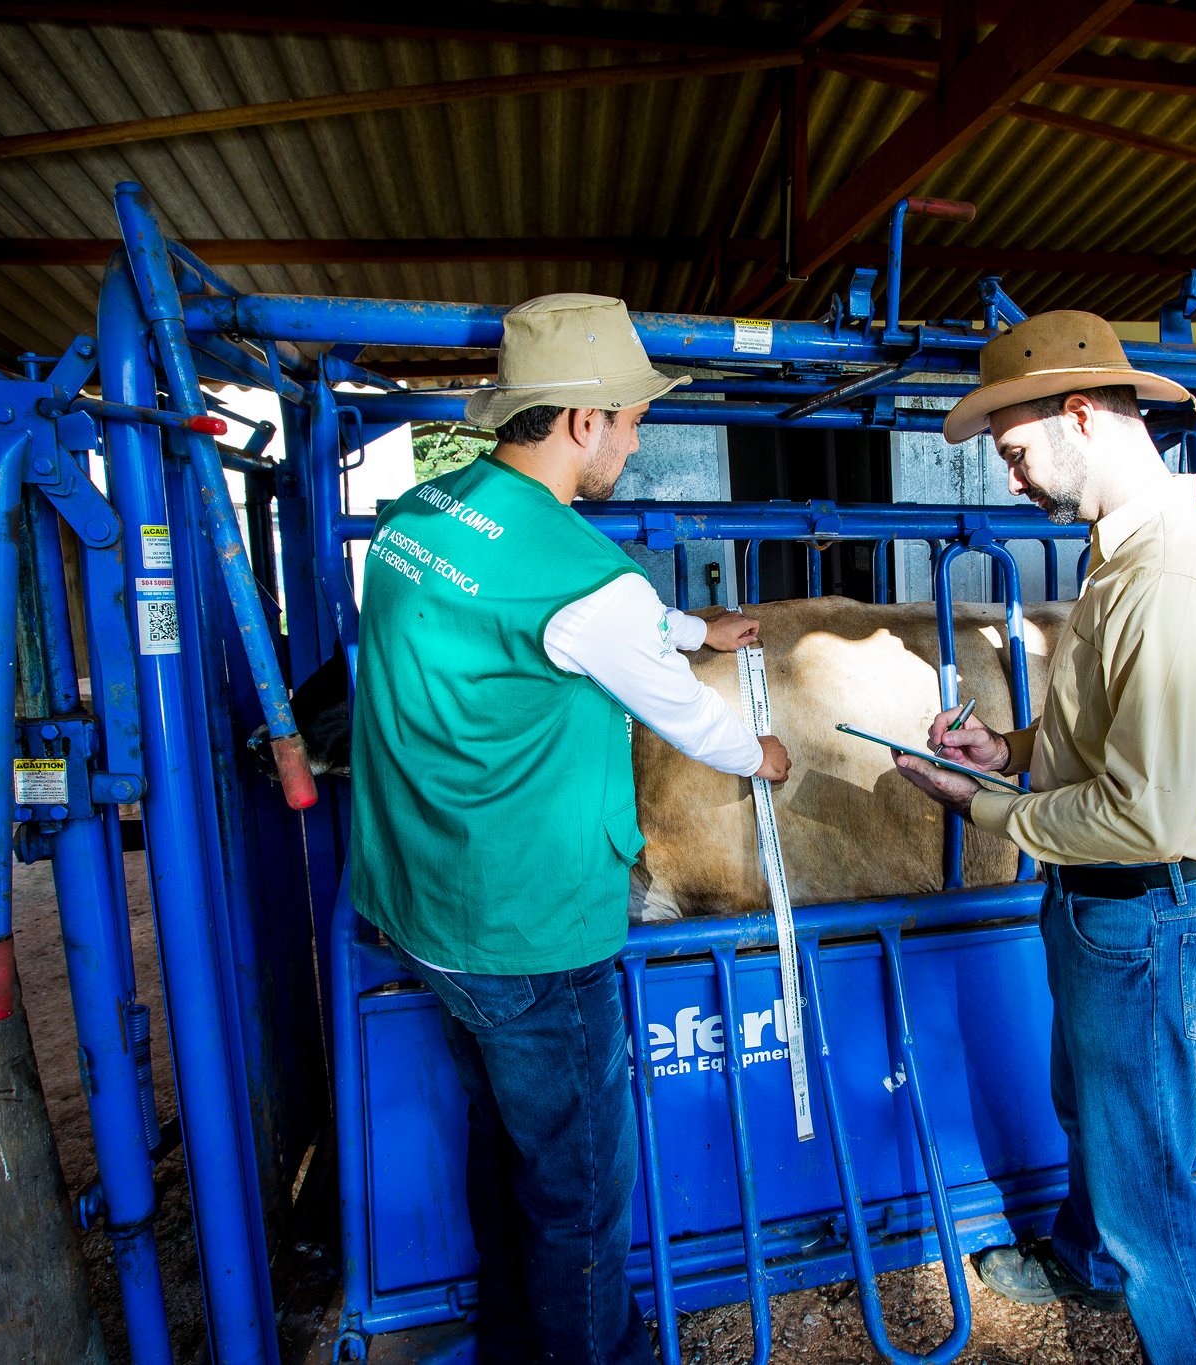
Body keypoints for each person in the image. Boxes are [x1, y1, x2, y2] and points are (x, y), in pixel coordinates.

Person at [347, 293, 791, 1365]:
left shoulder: (421, 516)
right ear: (583, 422)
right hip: (530, 934)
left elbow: (591, 627)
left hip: (419, 903)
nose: (636, 440)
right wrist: (761, 755)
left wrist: (692, 627)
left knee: (506, 1153)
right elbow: (680, 710)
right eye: (633, 418)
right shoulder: (587, 576)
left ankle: (510, 1343)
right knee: (580, 1195)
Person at [890, 310, 1196, 1365]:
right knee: (1094, 1107)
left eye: (1014, 452)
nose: (1011, 479)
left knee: (1146, 1178)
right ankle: (1088, 1267)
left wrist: (975, 808)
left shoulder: (1171, 582)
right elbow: (1096, 746)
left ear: (1077, 417)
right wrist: (1001, 751)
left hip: (1148, 900)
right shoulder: (1121, 560)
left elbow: (1141, 810)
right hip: (1110, 902)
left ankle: (1173, 1329)